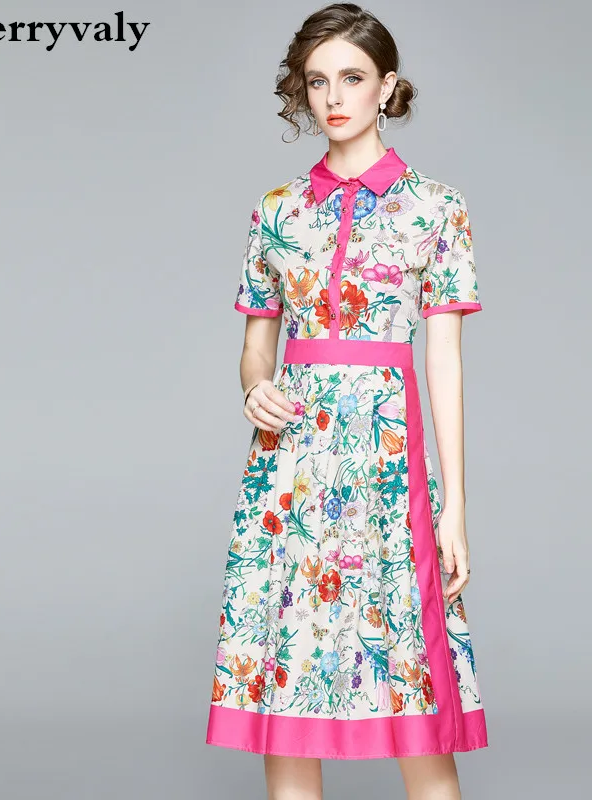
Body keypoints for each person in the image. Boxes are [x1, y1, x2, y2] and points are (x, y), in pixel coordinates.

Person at [206, 3, 488, 796]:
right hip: (289, 468)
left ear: (386, 87)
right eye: (318, 81)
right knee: (287, 688)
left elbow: (443, 362)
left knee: (412, 690)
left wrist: (454, 507)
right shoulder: (276, 210)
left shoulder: (436, 207)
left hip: (386, 464)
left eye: (353, 78)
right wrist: (255, 386)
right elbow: (257, 345)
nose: (334, 97)